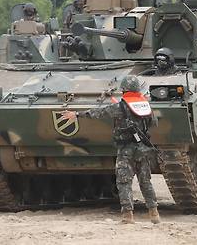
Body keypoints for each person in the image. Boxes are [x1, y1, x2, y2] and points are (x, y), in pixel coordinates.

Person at [61, 75, 160, 224]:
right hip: (143, 149)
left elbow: (98, 113)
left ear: (124, 89)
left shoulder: (119, 107)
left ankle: (128, 215)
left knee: (123, 181)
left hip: (125, 150)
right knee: (145, 181)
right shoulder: (145, 106)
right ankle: (154, 214)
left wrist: (76, 114)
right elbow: (154, 123)